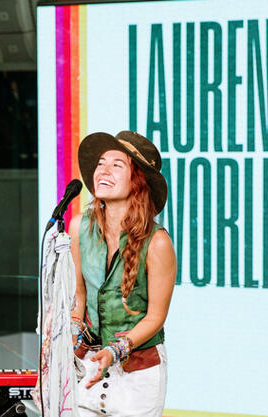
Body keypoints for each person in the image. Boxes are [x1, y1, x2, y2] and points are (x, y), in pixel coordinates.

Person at [69, 131, 177, 416]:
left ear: (137, 181)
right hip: (89, 366)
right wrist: (68, 339)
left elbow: (155, 317)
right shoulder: (79, 227)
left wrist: (115, 351)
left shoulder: (158, 242)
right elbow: (79, 295)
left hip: (139, 375)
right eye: (101, 163)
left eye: (117, 165)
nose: (103, 170)